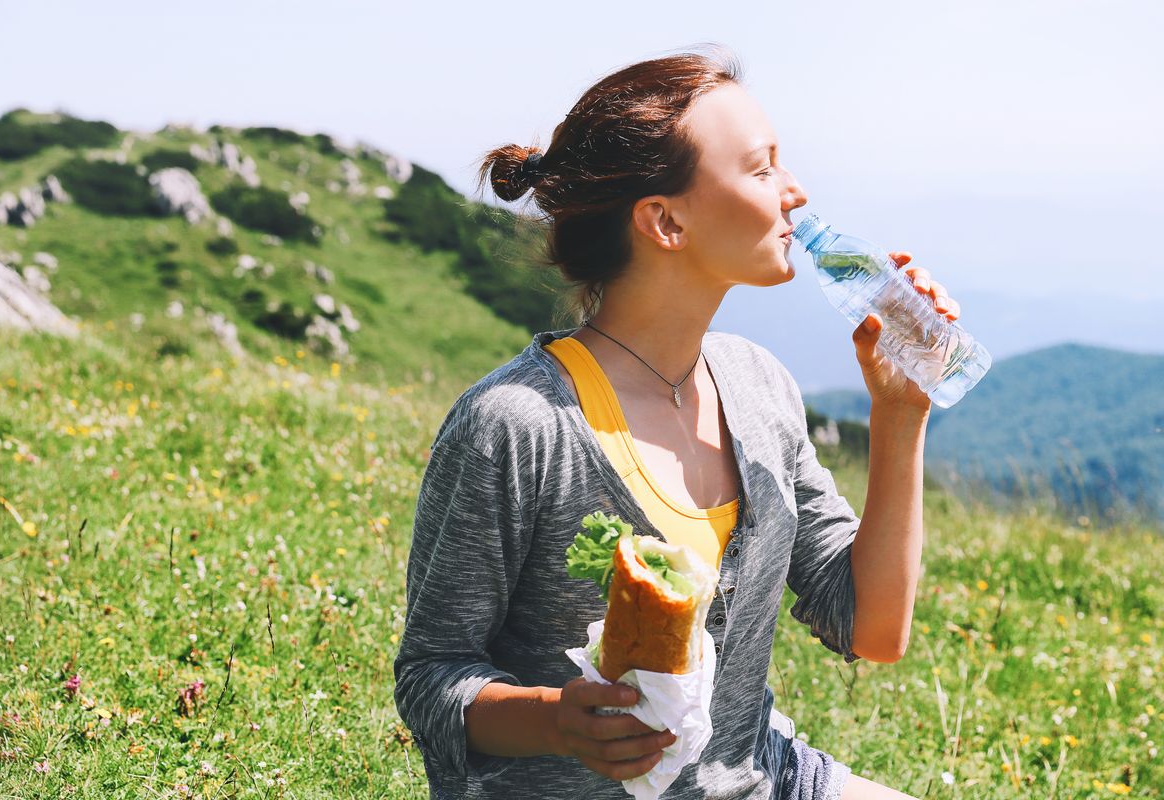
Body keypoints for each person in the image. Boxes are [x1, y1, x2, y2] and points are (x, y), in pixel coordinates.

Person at [394, 45, 960, 800]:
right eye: (761, 170)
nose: (795, 192)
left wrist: (899, 413)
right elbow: (432, 677)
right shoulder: (515, 427)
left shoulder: (759, 386)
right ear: (664, 222)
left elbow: (872, 630)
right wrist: (556, 719)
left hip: (768, 782)